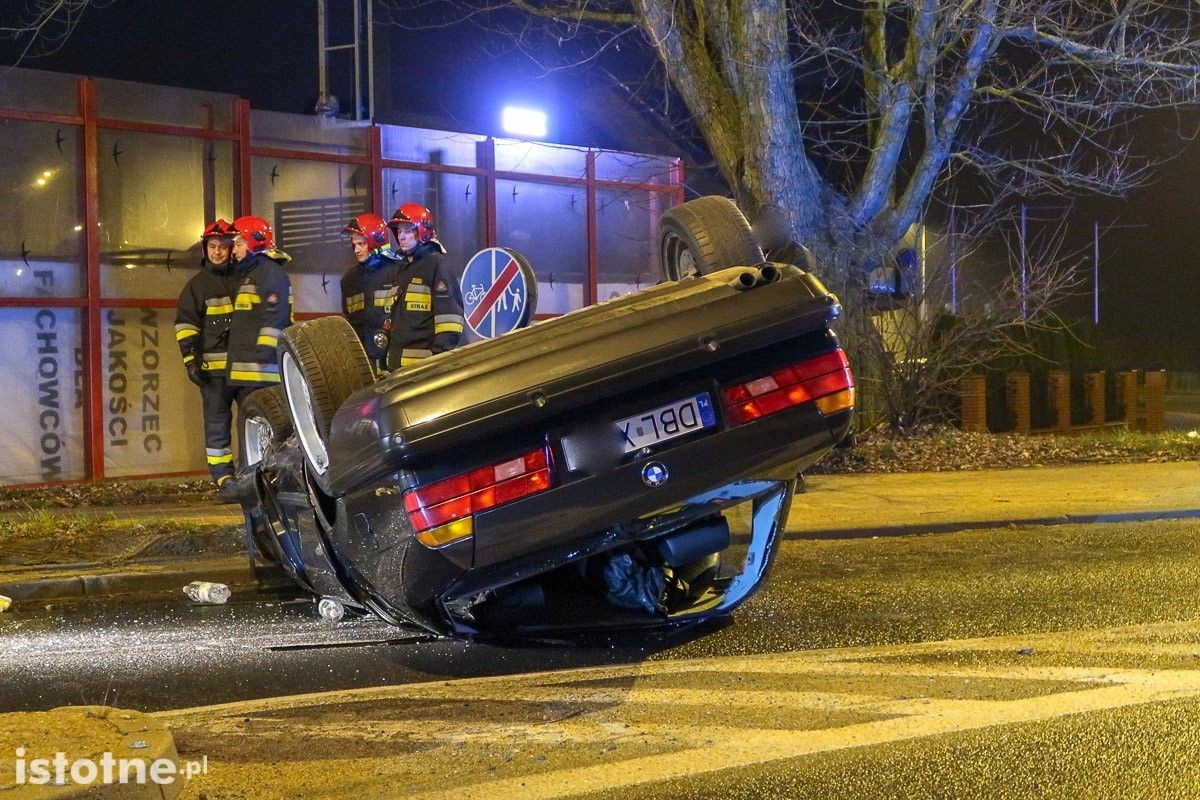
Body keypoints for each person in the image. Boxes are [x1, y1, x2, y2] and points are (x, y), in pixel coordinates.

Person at [385, 202, 466, 370]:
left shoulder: (437, 264)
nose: (401, 237)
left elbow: (450, 322)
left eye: (408, 230)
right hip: (396, 367)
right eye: (399, 231)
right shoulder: (401, 267)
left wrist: (435, 365)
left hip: (421, 370)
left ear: (423, 231)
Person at [339, 213, 402, 370]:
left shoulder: (399, 271)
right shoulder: (349, 280)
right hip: (362, 361)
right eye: (354, 245)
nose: (356, 250)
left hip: (393, 359)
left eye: (361, 244)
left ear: (376, 242)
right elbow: (350, 320)